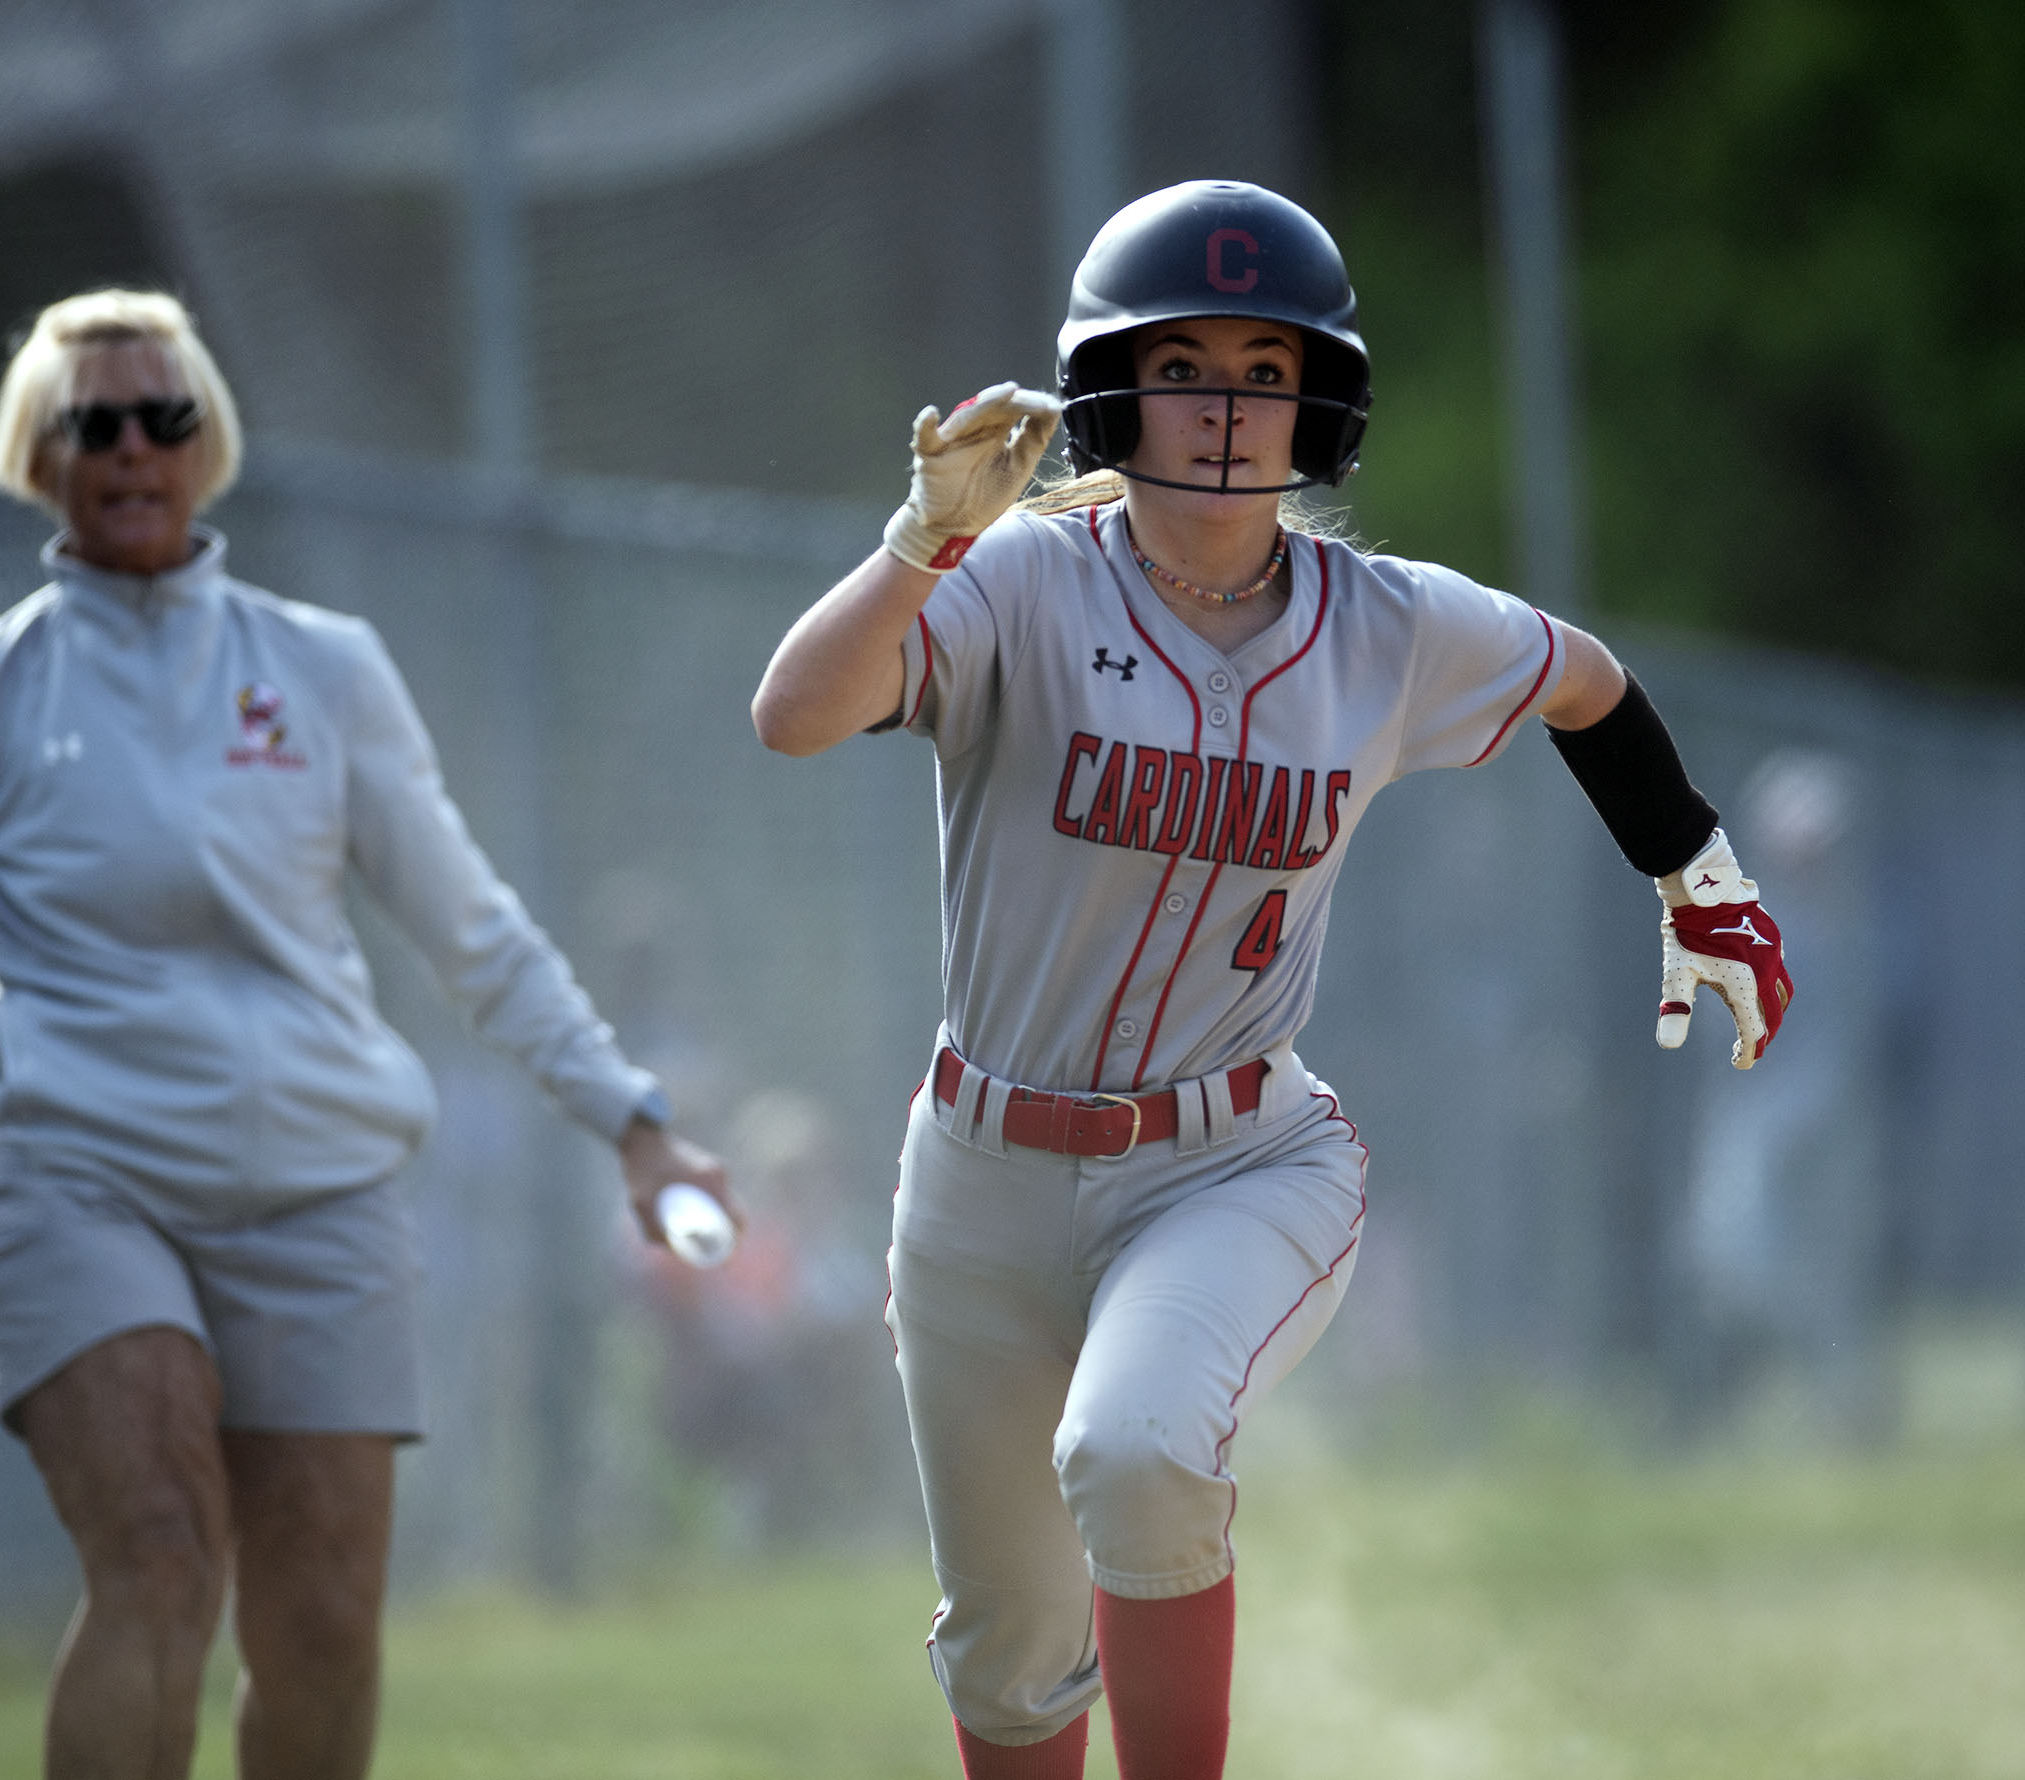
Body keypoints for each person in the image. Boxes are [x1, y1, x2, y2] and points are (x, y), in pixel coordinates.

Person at [750, 182, 1790, 1780]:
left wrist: (1695, 870)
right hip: (979, 1179)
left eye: (1265, 366)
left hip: (1236, 1161)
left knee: (1139, 1446)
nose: (1228, 410)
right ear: (1110, 388)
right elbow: (796, 714)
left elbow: (1588, 681)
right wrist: (920, 542)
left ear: (1321, 399)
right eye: (1186, 365)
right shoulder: (1018, 581)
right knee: (1014, 1658)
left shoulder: (1386, 627)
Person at [0, 289, 733, 1780]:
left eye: (166, 417)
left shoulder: (324, 669)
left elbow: (474, 931)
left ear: (208, 443)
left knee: (324, 1620)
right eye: (95, 423)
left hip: (326, 1187)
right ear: (40, 453)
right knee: (158, 1554)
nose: (134, 446)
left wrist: (636, 1123)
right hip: (82, 1180)